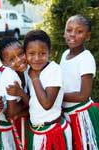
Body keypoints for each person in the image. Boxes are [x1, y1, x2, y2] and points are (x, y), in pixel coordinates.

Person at [23, 30, 72, 149]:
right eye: (31, 53)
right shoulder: (28, 70)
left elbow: (47, 104)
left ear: (50, 52)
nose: (37, 58)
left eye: (42, 53)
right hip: (36, 131)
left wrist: (34, 78)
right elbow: (33, 101)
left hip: (54, 131)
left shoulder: (54, 70)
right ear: (24, 53)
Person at [0, 37, 29, 150]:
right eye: (12, 59)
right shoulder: (10, 77)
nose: (18, 60)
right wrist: (27, 103)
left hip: (7, 126)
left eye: (21, 54)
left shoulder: (27, 70)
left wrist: (23, 104)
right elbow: (11, 113)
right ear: (4, 63)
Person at [60, 14, 99, 149]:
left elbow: (83, 95)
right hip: (67, 114)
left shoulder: (86, 58)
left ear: (88, 36)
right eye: (69, 30)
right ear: (63, 32)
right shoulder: (65, 54)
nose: (73, 34)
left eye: (79, 31)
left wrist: (56, 96)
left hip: (81, 115)